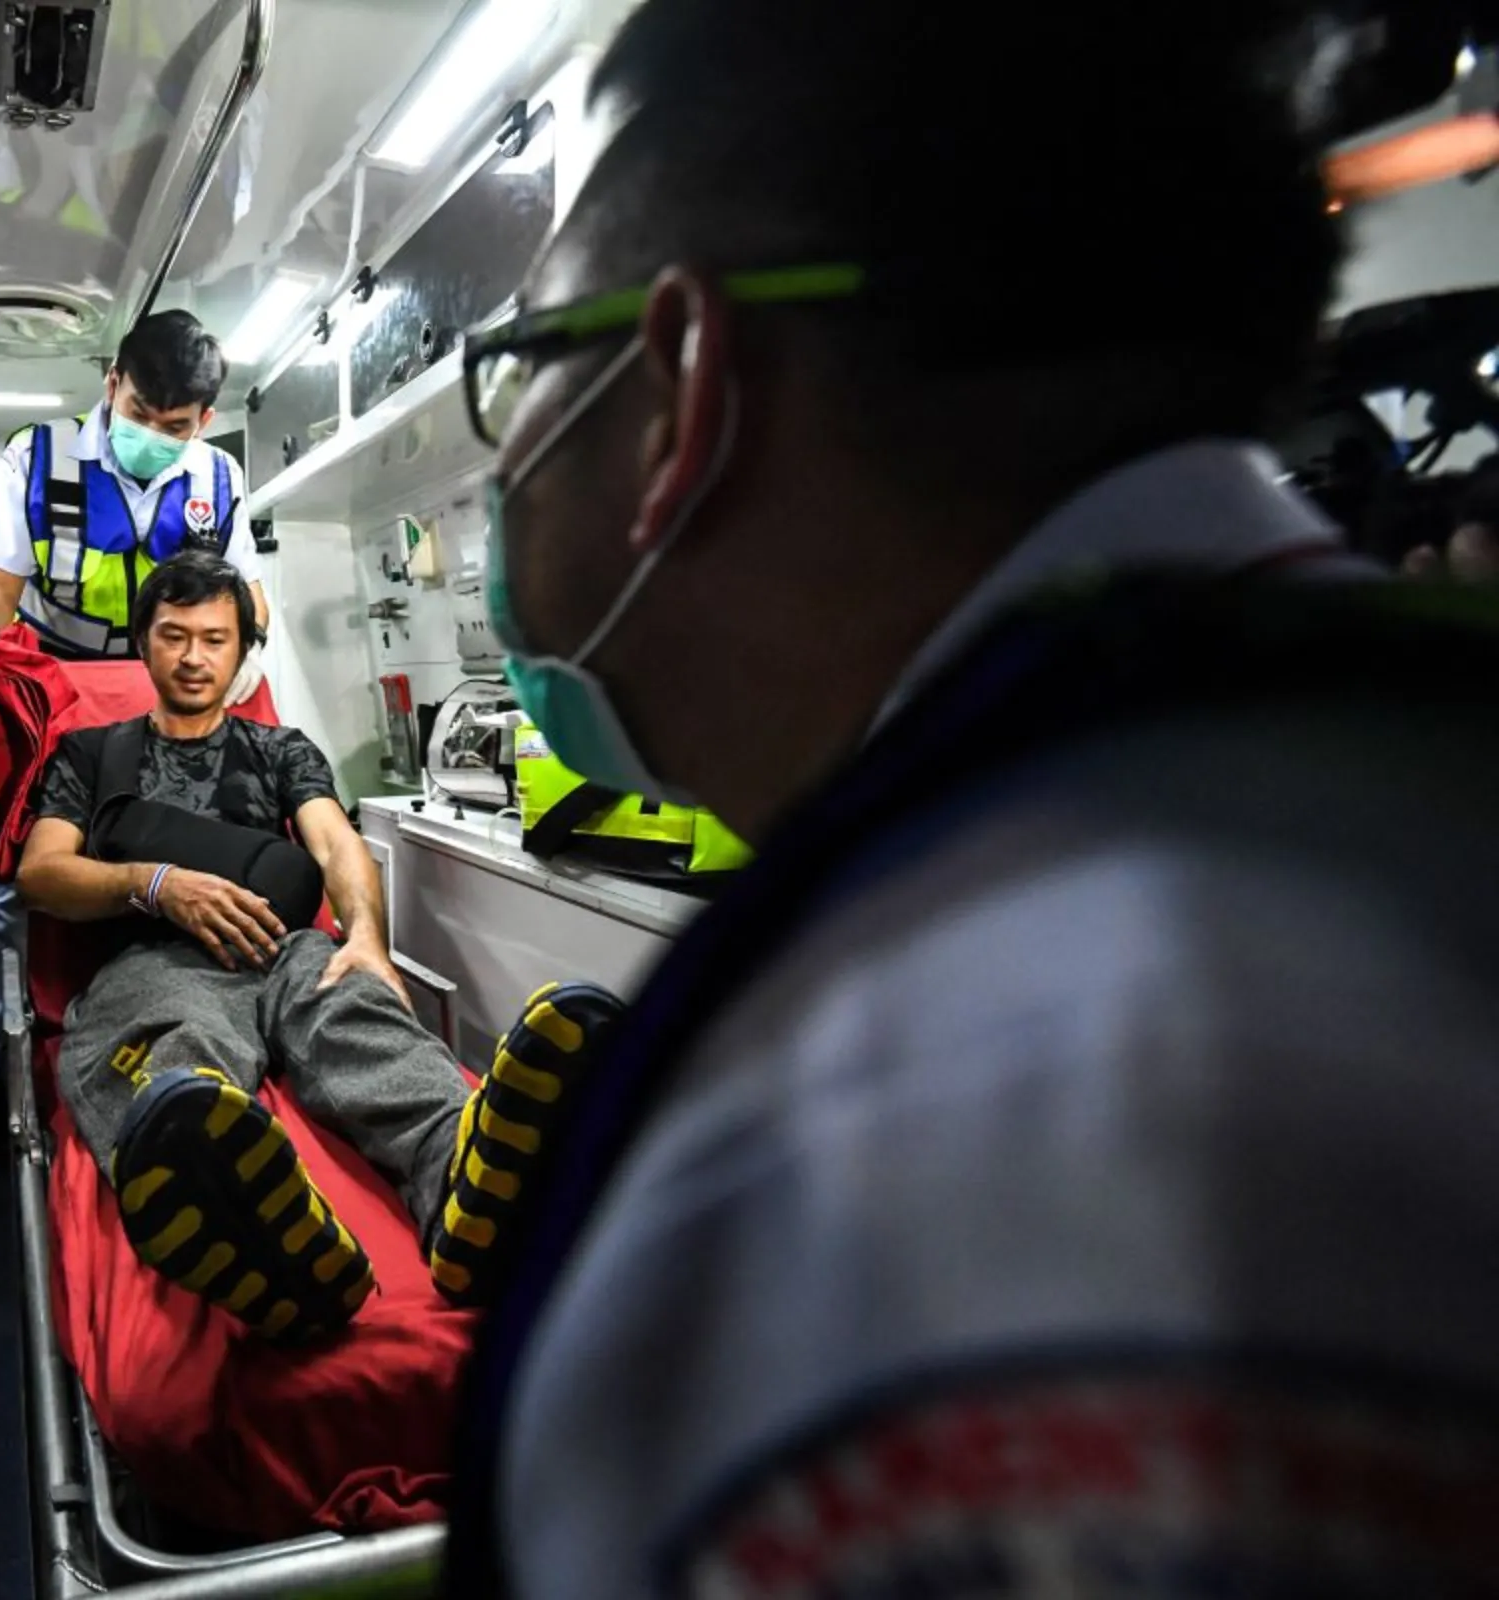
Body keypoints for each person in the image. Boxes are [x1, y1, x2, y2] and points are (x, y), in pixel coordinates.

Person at [449, 1, 1499, 1594]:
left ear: (678, 388)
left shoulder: (868, 1157)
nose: (502, 457)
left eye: (523, 362)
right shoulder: (1382, 783)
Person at [13, 553, 622, 1341]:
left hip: (287, 949)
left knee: (361, 1022)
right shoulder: (92, 756)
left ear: (239, 653)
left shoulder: (280, 750)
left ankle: (464, 1186)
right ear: (143, 644)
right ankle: (249, 1232)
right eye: (173, 636)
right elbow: (41, 873)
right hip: (158, 960)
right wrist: (155, 883)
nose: (194, 656)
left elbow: (337, 848)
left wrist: (366, 940)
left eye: (214, 639)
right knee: (180, 1066)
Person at [0, 312, 274, 1142]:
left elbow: (246, 595)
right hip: (63, 687)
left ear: (202, 418)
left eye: (175, 426)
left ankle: (195, 1019)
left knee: (185, 850)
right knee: (11, 879)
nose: (154, 436)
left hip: (167, 690)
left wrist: (253, 646)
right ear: (111, 384)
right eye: (139, 414)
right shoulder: (40, 456)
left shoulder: (220, 478)